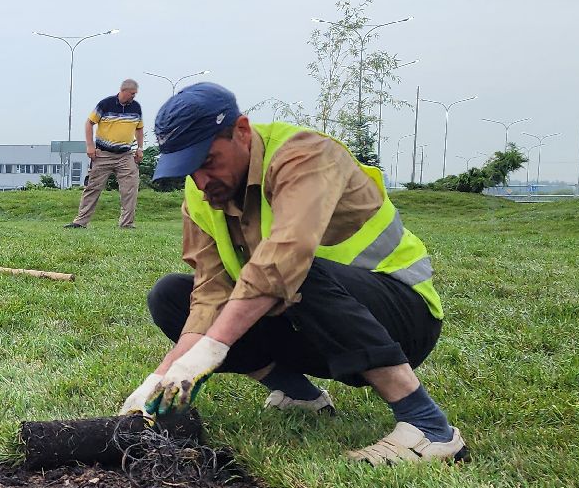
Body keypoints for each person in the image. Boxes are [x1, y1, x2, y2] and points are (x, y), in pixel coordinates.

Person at [118, 82, 466, 464]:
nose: (201, 182)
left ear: (242, 131)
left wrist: (210, 351)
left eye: (208, 161)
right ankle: (300, 396)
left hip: (399, 319)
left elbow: (286, 258)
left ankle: (428, 426)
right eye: (189, 170)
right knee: (171, 296)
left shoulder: (306, 155)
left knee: (294, 272)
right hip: (311, 327)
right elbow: (210, 293)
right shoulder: (201, 194)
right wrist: (163, 375)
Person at [66, 78, 144, 229]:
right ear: (123, 91)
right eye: (132, 93)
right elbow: (89, 123)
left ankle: (127, 223)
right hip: (103, 154)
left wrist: (140, 148)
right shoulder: (105, 104)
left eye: (135, 94)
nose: (134, 96)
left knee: (130, 188)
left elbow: (139, 128)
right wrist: (90, 146)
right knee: (93, 187)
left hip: (125, 155)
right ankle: (80, 222)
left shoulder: (136, 107)